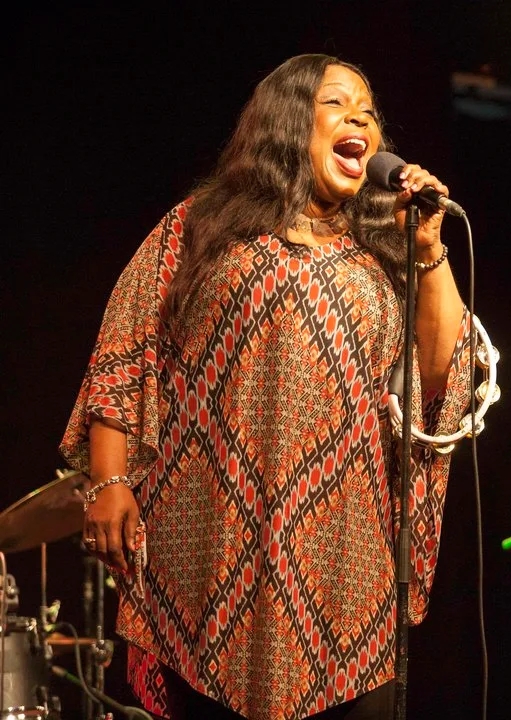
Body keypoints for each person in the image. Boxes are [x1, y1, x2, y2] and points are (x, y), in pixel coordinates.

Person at [60, 54, 479, 720]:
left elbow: (437, 378)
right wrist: (109, 480)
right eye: (337, 104)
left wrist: (428, 249)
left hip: (345, 564)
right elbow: (126, 348)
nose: (360, 121)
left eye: (368, 112)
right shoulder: (201, 228)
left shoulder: (387, 247)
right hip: (210, 552)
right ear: (287, 122)